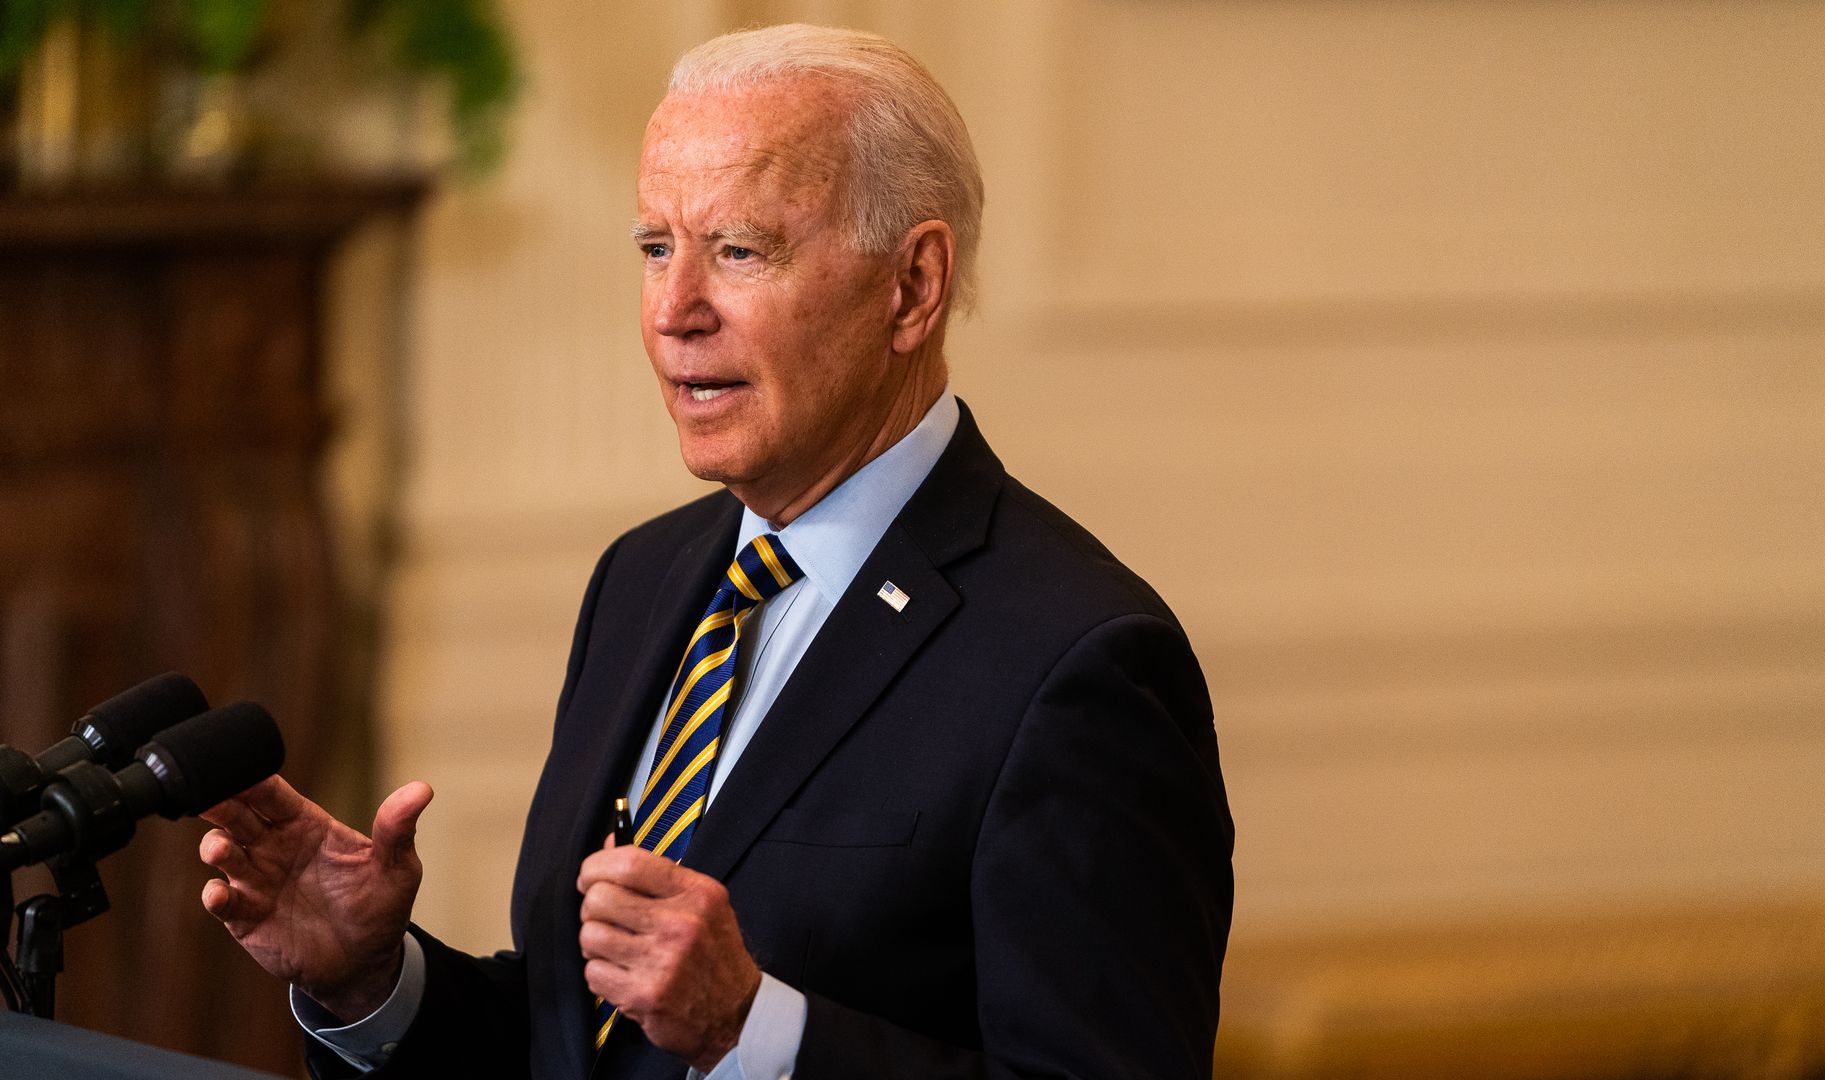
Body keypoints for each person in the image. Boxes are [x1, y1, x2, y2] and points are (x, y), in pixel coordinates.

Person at [198, 24, 1233, 1080]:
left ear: (914, 287)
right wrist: (372, 980)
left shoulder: (1077, 661)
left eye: (740, 250)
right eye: (656, 248)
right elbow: (587, 1041)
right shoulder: (644, 578)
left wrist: (757, 1032)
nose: (674, 312)